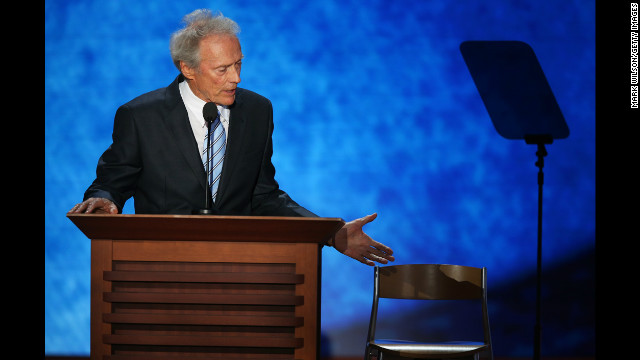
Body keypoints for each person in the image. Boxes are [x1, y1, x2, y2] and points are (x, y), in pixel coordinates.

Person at [68, 9, 394, 266]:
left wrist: (330, 233)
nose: (236, 78)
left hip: (238, 268)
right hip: (160, 267)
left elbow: (264, 195)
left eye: (238, 64)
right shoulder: (140, 116)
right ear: (188, 68)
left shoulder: (257, 111)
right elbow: (113, 181)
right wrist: (106, 201)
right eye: (222, 69)